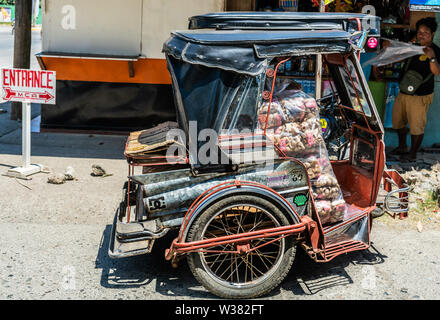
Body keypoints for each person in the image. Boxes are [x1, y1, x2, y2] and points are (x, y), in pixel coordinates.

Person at [391, 17, 440, 161]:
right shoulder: (413, 47)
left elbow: (437, 71)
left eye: (425, 32)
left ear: (432, 34)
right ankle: (402, 147)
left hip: (420, 95)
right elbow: (399, 59)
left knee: (416, 126)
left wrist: (431, 57)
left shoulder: (436, 51)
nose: (421, 35)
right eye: (419, 32)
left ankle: (412, 153)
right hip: (404, 91)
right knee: (397, 121)